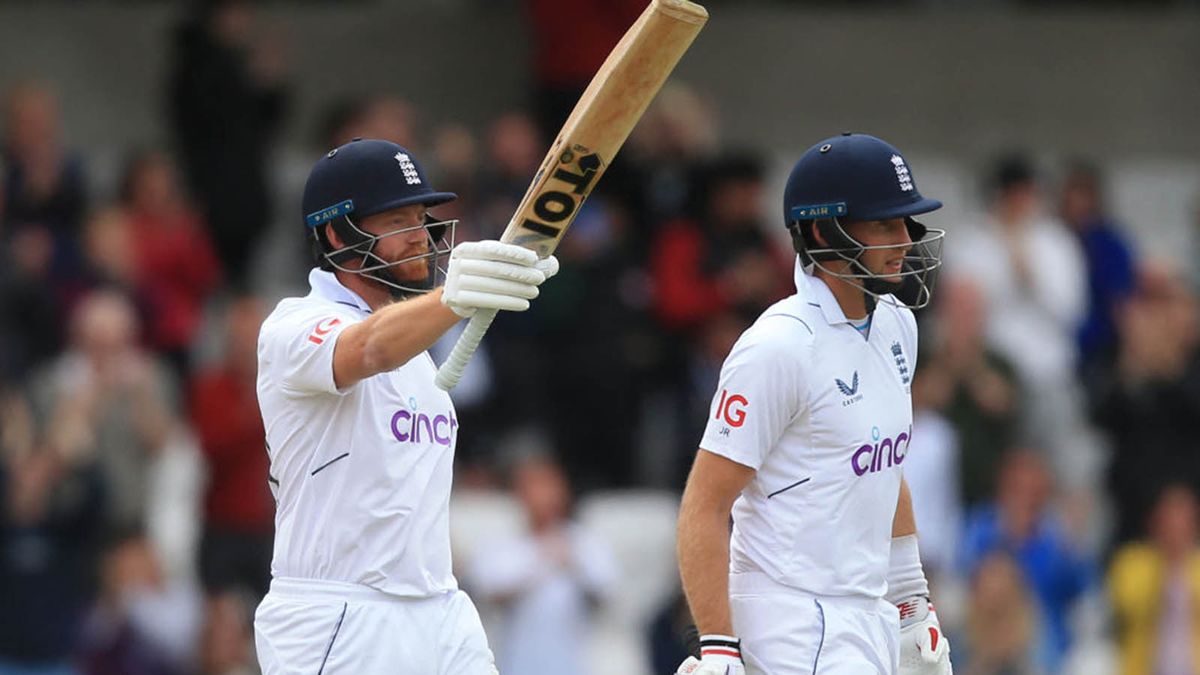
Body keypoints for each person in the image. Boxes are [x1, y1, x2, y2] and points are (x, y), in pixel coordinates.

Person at [252, 138, 558, 674]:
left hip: (440, 607)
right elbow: (367, 348)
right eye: (396, 221)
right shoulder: (292, 326)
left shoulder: (418, 348)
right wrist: (453, 298)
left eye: (421, 217)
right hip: (340, 615)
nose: (420, 237)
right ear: (336, 233)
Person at [675, 133, 952, 675]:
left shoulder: (898, 324)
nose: (905, 239)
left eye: (906, 222)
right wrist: (718, 647)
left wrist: (912, 603)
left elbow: (883, 464)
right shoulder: (779, 346)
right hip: (791, 621)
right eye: (884, 224)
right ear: (824, 231)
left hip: (867, 615)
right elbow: (704, 506)